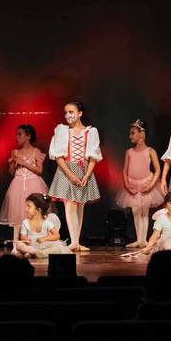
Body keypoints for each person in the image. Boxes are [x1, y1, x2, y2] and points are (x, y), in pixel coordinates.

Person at [47, 100, 101, 252]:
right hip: (66, 170)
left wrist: (87, 175)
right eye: (66, 112)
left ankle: (76, 241)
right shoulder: (62, 130)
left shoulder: (91, 132)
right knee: (70, 206)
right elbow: (58, 157)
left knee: (80, 207)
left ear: (80, 113)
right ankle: (74, 242)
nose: (67, 115)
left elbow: (93, 157)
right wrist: (70, 175)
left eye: (71, 112)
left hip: (83, 170)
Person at [0, 125, 48, 254]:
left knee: (33, 214)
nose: (17, 137)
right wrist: (12, 162)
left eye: (20, 134)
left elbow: (39, 170)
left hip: (33, 183)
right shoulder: (15, 152)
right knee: (16, 214)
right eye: (17, 134)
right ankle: (16, 246)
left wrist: (24, 163)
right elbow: (11, 172)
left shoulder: (36, 151)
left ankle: (34, 244)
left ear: (28, 136)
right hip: (18, 184)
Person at [118, 119, 164, 248]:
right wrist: (127, 185)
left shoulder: (150, 151)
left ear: (142, 134)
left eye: (132, 133)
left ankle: (144, 240)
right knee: (135, 212)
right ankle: (139, 240)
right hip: (132, 185)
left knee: (144, 213)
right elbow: (125, 170)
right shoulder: (129, 152)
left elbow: (157, 169)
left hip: (146, 184)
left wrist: (151, 185)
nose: (130, 136)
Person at [15, 193, 71, 258]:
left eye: (29, 206)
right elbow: (23, 236)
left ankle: (40, 253)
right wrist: (26, 239)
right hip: (30, 246)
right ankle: (34, 252)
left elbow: (57, 236)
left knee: (57, 248)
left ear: (39, 210)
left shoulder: (46, 222)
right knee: (18, 244)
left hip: (44, 245)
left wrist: (45, 238)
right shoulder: (25, 222)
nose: (26, 209)